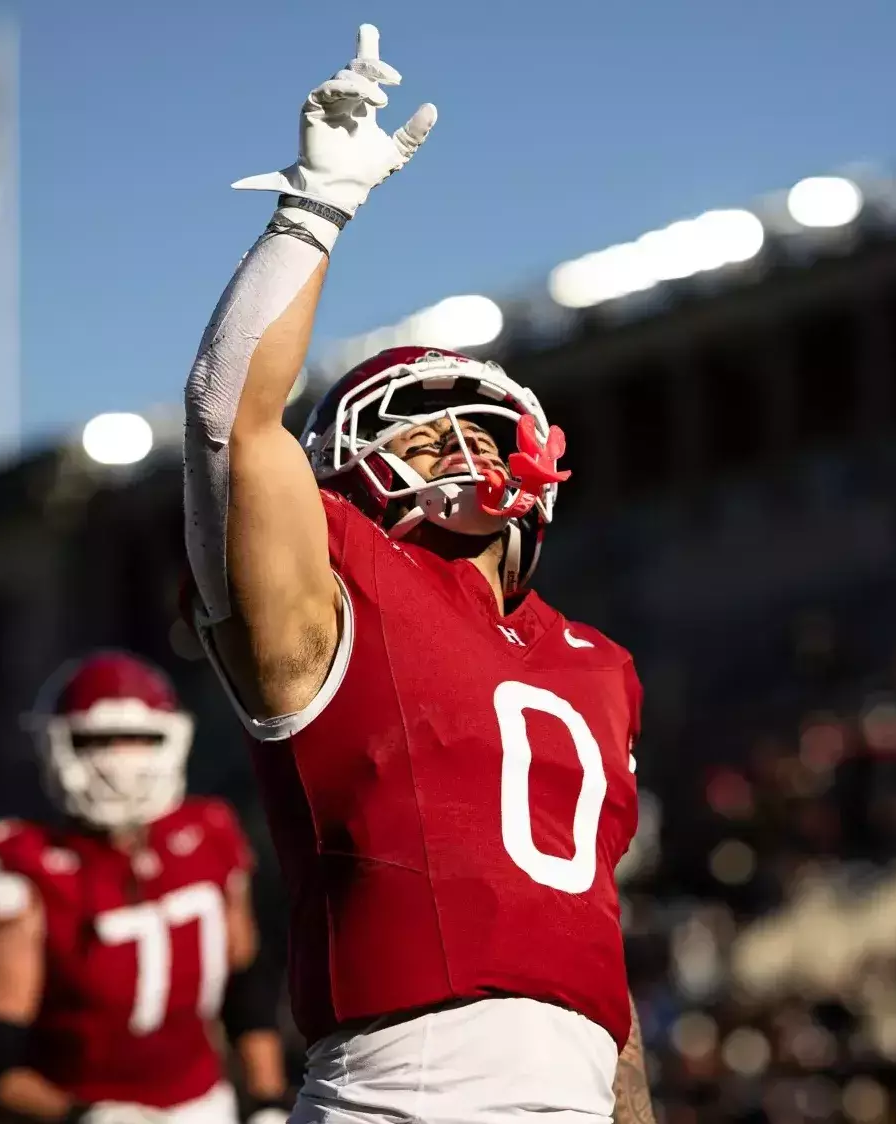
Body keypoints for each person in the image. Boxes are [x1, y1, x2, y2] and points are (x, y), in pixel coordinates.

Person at [179, 21, 656, 1124]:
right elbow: (227, 419)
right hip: (403, 1090)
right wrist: (313, 208)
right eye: (422, 427)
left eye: (479, 425)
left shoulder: (600, 664)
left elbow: (591, 939)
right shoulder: (339, 587)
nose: (459, 442)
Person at [0, 651, 291, 1124]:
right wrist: (85, 1116)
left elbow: (244, 985)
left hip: (203, 1107)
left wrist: (267, 1100)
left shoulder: (209, 835)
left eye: (139, 738)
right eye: (96, 740)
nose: (119, 760)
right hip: (77, 1110)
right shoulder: (22, 869)